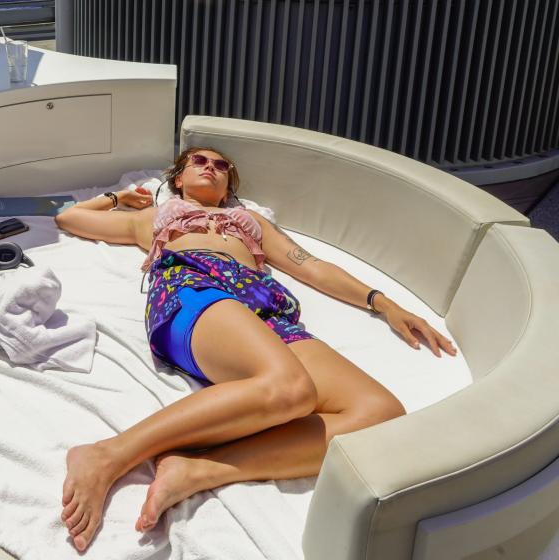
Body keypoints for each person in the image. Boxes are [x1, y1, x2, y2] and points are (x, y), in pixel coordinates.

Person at [53, 147, 458, 553]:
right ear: (177, 179)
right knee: (292, 389)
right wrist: (117, 199)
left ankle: (200, 469)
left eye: (221, 165)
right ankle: (107, 454)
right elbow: (68, 218)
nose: (211, 168)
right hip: (194, 289)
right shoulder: (154, 218)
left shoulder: (250, 223)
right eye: (200, 162)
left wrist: (383, 303)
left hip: (266, 308)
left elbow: (311, 266)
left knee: (378, 414)